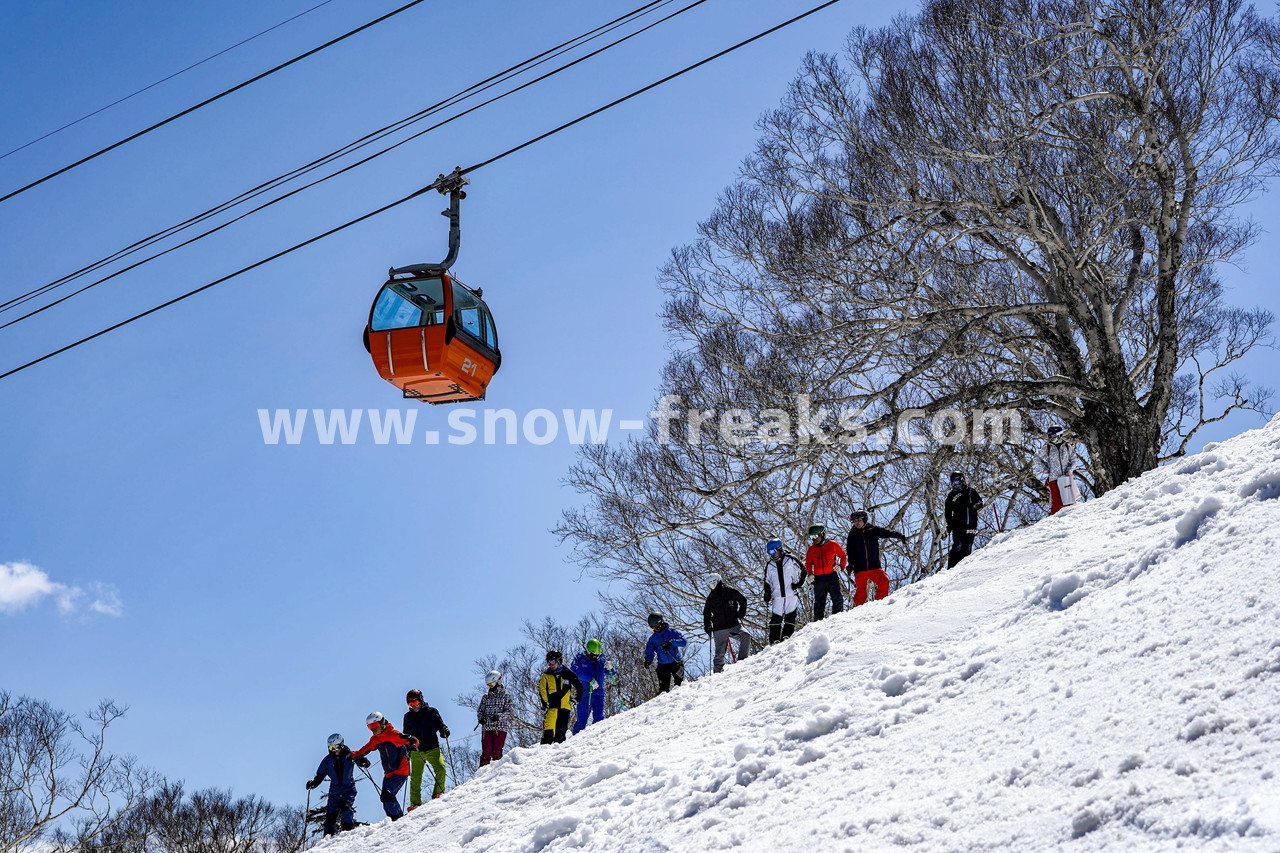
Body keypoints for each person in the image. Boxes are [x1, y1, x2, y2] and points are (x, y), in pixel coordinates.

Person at [350, 712, 414, 821]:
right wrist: (352, 755)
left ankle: (398, 819)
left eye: (374, 726)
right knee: (384, 798)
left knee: (388, 795)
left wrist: (411, 740)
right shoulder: (375, 739)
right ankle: (393, 819)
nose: (373, 729)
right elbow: (365, 749)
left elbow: (413, 741)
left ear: (382, 723)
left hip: (401, 770)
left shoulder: (393, 734)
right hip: (388, 773)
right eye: (370, 727)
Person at [306, 733, 367, 836]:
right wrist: (314, 783)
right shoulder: (328, 760)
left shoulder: (349, 755)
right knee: (330, 816)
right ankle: (327, 840)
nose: (334, 750)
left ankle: (349, 833)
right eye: (331, 748)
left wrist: (363, 761)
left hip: (348, 789)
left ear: (342, 745)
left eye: (336, 747)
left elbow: (359, 759)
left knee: (346, 809)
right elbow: (320, 774)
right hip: (334, 791)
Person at [845, 510, 906, 606]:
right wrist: (850, 565)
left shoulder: (873, 530)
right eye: (855, 521)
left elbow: (886, 532)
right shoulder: (852, 535)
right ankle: (856, 612)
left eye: (858, 520)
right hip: (860, 568)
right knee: (861, 591)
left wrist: (899, 536)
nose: (856, 523)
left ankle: (879, 605)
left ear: (864, 520)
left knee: (884, 581)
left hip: (875, 567)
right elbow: (850, 551)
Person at [402, 689, 450, 807]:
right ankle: (415, 803)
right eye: (410, 704)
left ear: (421, 700)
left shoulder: (432, 712)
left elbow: (441, 725)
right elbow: (406, 734)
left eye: (415, 703)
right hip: (417, 751)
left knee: (441, 769)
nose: (414, 706)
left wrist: (444, 731)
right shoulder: (408, 717)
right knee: (416, 778)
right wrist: (408, 746)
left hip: (432, 747)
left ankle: (438, 794)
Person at [703, 574, 751, 672]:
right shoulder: (711, 598)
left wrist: (741, 612)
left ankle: (742, 661)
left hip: (734, 624)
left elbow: (743, 600)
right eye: (709, 584)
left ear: (718, 581)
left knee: (746, 635)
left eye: (713, 582)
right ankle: (717, 672)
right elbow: (706, 613)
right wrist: (707, 625)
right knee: (719, 653)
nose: (711, 585)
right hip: (719, 628)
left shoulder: (730, 592)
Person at [570, 639, 617, 734]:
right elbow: (575, 672)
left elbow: (610, 673)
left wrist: (611, 667)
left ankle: (597, 735)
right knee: (582, 719)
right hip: (585, 693)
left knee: (599, 716)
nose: (594, 657)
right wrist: (590, 680)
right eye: (592, 655)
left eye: (597, 655)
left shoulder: (601, 660)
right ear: (588, 651)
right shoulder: (579, 659)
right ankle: (575, 738)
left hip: (599, 692)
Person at [763, 539, 805, 643]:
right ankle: (774, 639)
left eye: (773, 551)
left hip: (791, 593)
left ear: (779, 549)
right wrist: (767, 593)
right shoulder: (770, 565)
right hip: (777, 595)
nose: (772, 555)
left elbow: (803, 570)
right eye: (769, 553)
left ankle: (787, 636)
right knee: (776, 619)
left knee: (790, 616)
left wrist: (799, 584)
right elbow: (767, 581)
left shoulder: (790, 560)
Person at [804, 523, 847, 620]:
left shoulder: (832, 544)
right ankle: (818, 623)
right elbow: (808, 563)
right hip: (819, 580)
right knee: (819, 603)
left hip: (832, 577)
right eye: (811, 537)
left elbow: (843, 555)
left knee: (837, 599)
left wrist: (841, 567)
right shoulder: (811, 549)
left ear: (822, 534)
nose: (814, 539)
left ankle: (837, 619)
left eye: (815, 536)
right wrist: (810, 574)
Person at [538, 650, 582, 744]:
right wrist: (545, 703)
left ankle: (559, 752)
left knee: (561, 732)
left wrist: (576, 699)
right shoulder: (546, 675)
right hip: (552, 707)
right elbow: (542, 690)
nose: (550, 665)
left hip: (564, 707)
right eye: (548, 662)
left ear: (559, 661)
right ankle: (544, 751)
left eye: (552, 662)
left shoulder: (567, 673)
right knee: (549, 731)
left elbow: (579, 686)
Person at [1037, 425, 1080, 514]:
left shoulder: (1067, 447)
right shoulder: (1047, 448)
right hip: (1054, 478)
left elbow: (1074, 459)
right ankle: (1054, 521)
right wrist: (1044, 468)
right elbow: (1036, 458)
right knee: (1057, 502)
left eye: (1053, 436)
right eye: (1049, 436)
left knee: (1069, 500)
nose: (1051, 439)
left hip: (1065, 478)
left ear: (1059, 435)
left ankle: (1070, 520)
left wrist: (1070, 469)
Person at [944, 471, 983, 568]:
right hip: (958, 524)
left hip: (971, 524)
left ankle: (964, 568)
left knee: (967, 547)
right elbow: (948, 511)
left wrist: (973, 506)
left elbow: (980, 503)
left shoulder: (971, 492)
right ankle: (952, 567)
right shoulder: (952, 495)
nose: (955, 485)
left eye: (956, 482)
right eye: (953, 483)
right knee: (958, 545)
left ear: (962, 480)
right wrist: (949, 524)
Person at [643, 612, 687, 693]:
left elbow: (683, 642)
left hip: (676, 662)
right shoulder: (653, 639)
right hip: (663, 665)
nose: (656, 629)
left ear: (661, 622)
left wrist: (671, 643)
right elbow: (649, 651)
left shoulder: (672, 632)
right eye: (653, 628)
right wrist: (648, 659)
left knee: (680, 685)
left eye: (657, 627)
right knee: (663, 689)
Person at [476, 670, 512, 767]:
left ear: (498, 681)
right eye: (488, 685)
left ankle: (496, 774)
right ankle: (483, 772)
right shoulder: (486, 697)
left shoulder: (506, 695)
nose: (490, 687)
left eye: (491, 684)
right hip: (487, 728)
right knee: (486, 752)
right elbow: (480, 711)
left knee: (497, 752)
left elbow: (508, 712)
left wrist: (498, 717)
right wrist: (481, 718)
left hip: (499, 727)